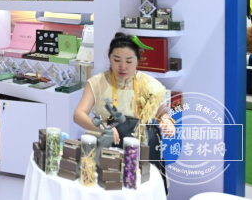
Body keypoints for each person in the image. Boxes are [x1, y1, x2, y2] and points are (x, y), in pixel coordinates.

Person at [73, 33, 175, 194]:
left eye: (129, 61)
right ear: (109, 58)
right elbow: (79, 114)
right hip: (107, 146)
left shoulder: (148, 83)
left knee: (141, 191)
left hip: (142, 149)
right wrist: (102, 128)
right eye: (116, 60)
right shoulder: (97, 82)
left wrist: (166, 121)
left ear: (138, 61)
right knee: (108, 190)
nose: (122, 67)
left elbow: (161, 113)